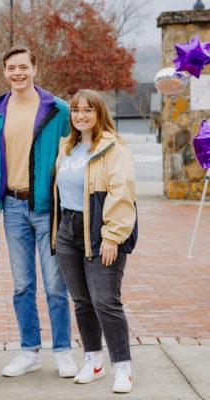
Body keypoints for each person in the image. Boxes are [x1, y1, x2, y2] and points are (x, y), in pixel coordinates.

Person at [0, 45, 78, 378]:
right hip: (11, 207)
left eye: (23, 67)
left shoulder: (58, 109)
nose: (18, 73)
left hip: (48, 208)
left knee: (56, 284)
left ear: (35, 69)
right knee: (23, 285)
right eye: (11, 68)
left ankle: (64, 351)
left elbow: (77, 152)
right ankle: (29, 351)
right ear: (5, 72)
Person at [51, 89, 137, 394]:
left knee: (105, 300)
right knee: (82, 301)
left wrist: (112, 237)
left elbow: (122, 195)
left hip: (99, 231)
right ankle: (93, 360)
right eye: (76, 110)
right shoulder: (67, 147)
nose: (80, 115)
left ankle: (123, 367)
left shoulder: (114, 149)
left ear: (99, 113)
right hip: (67, 230)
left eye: (88, 110)